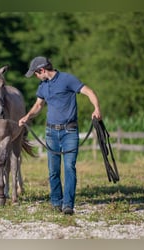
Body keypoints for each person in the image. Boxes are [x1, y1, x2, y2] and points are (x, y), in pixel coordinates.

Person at [18, 56, 102, 215]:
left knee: (69, 167)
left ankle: (68, 204)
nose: (35, 76)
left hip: (69, 132)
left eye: (35, 73)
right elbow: (38, 105)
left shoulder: (67, 79)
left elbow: (89, 91)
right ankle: (56, 202)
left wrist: (97, 109)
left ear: (42, 70)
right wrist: (27, 116)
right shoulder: (43, 85)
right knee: (53, 170)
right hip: (51, 132)